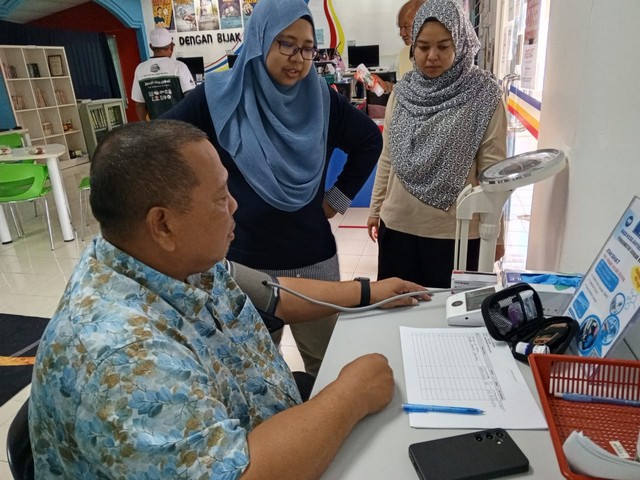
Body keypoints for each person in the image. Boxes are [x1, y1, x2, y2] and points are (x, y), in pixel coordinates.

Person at [28, 120, 430, 479]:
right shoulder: (124, 357)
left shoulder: (167, 259)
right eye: (221, 198)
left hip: (264, 423)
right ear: (163, 224)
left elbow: (273, 295)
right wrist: (350, 395)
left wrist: (367, 291)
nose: (235, 205)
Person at [162, 0, 382, 377]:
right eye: (286, 43)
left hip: (313, 261)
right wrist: (199, 208)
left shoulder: (322, 100)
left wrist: (335, 200)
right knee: (255, 375)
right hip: (245, 266)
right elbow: (160, 145)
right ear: (260, 39)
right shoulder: (219, 98)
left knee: (327, 369)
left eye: (307, 48)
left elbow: (368, 141)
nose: (298, 58)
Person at [367, 0, 507, 288]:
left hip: (456, 234)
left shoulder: (484, 96)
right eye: (423, 47)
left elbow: (493, 174)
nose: (432, 56)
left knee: (449, 313)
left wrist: (497, 235)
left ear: (461, 43)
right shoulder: (402, 93)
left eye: (443, 46)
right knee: (398, 309)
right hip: (398, 228)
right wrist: (375, 209)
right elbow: (388, 157)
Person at [131, 27, 195, 121]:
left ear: (151, 46)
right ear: (171, 46)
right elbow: (191, 98)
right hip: (180, 124)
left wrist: (145, 125)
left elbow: (139, 105)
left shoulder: (140, 69)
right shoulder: (179, 66)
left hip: (157, 126)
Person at [365, 1, 426, 95]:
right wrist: (386, 86)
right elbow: (407, 89)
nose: (401, 33)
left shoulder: (442, 57)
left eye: (406, 27)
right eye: (400, 28)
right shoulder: (404, 54)